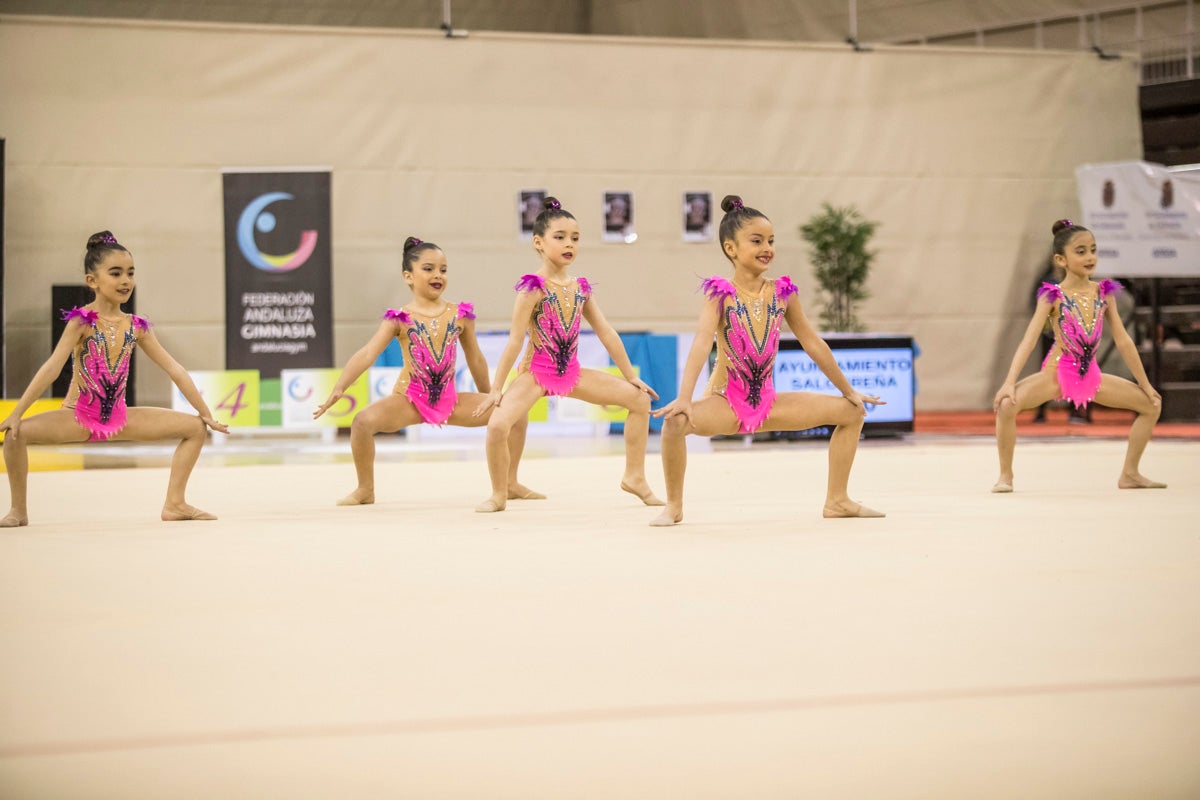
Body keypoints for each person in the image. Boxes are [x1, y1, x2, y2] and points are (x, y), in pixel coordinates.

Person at [650, 195, 884, 526]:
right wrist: (686, 399)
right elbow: (702, 344)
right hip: (726, 403)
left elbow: (812, 342)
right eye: (757, 240)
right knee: (674, 424)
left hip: (769, 403)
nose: (767, 248)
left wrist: (848, 390)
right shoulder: (720, 293)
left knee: (853, 412)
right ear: (731, 249)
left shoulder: (782, 292)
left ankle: (838, 500)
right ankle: (674, 506)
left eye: (771, 241)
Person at [1, 231, 228, 527]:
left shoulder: (137, 326)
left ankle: (175, 503)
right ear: (92, 281)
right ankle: (19, 510)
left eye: (131, 273)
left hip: (119, 419)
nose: (126, 281)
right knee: (15, 435)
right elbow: (52, 368)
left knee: (195, 428)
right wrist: (17, 413)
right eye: (116, 273)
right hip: (78, 418)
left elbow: (174, 369)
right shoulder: (81, 321)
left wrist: (206, 413)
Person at [314, 236, 541, 506]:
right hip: (409, 400)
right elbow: (367, 353)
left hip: (451, 401)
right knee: (362, 422)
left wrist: (491, 394)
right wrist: (340, 386)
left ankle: (510, 482)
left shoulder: (460, 315)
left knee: (515, 412)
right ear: (408, 276)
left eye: (443, 270)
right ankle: (365, 489)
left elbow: (476, 359)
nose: (438, 275)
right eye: (429, 269)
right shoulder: (399, 318)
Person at [472, 197, 663, 513]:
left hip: (570, 373)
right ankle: (500, 491)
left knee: (639, 400)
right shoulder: (532, 288)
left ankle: (635, 476)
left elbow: (606, 332)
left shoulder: (581, 288)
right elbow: (514, 341)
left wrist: (631, 376)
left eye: (575, 238)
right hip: (535, 373)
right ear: (539, 242)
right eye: (559, 237)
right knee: (498, 426)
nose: (569, 244)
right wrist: (496, 389)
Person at [992, 220, 1165, 492]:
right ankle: (1006, 475)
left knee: (1151, 405)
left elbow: (1123, 340)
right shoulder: (1052, 295)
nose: (1090, 257)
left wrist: (1145, 384)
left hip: (1090, 375)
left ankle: (1130, 474)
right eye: (1081, 251)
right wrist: (1009, 382)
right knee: (1006, 406)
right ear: (1061, 259)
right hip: (1057, 373)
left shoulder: (1104, 292)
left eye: (1093, 250)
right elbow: (1029, 338)